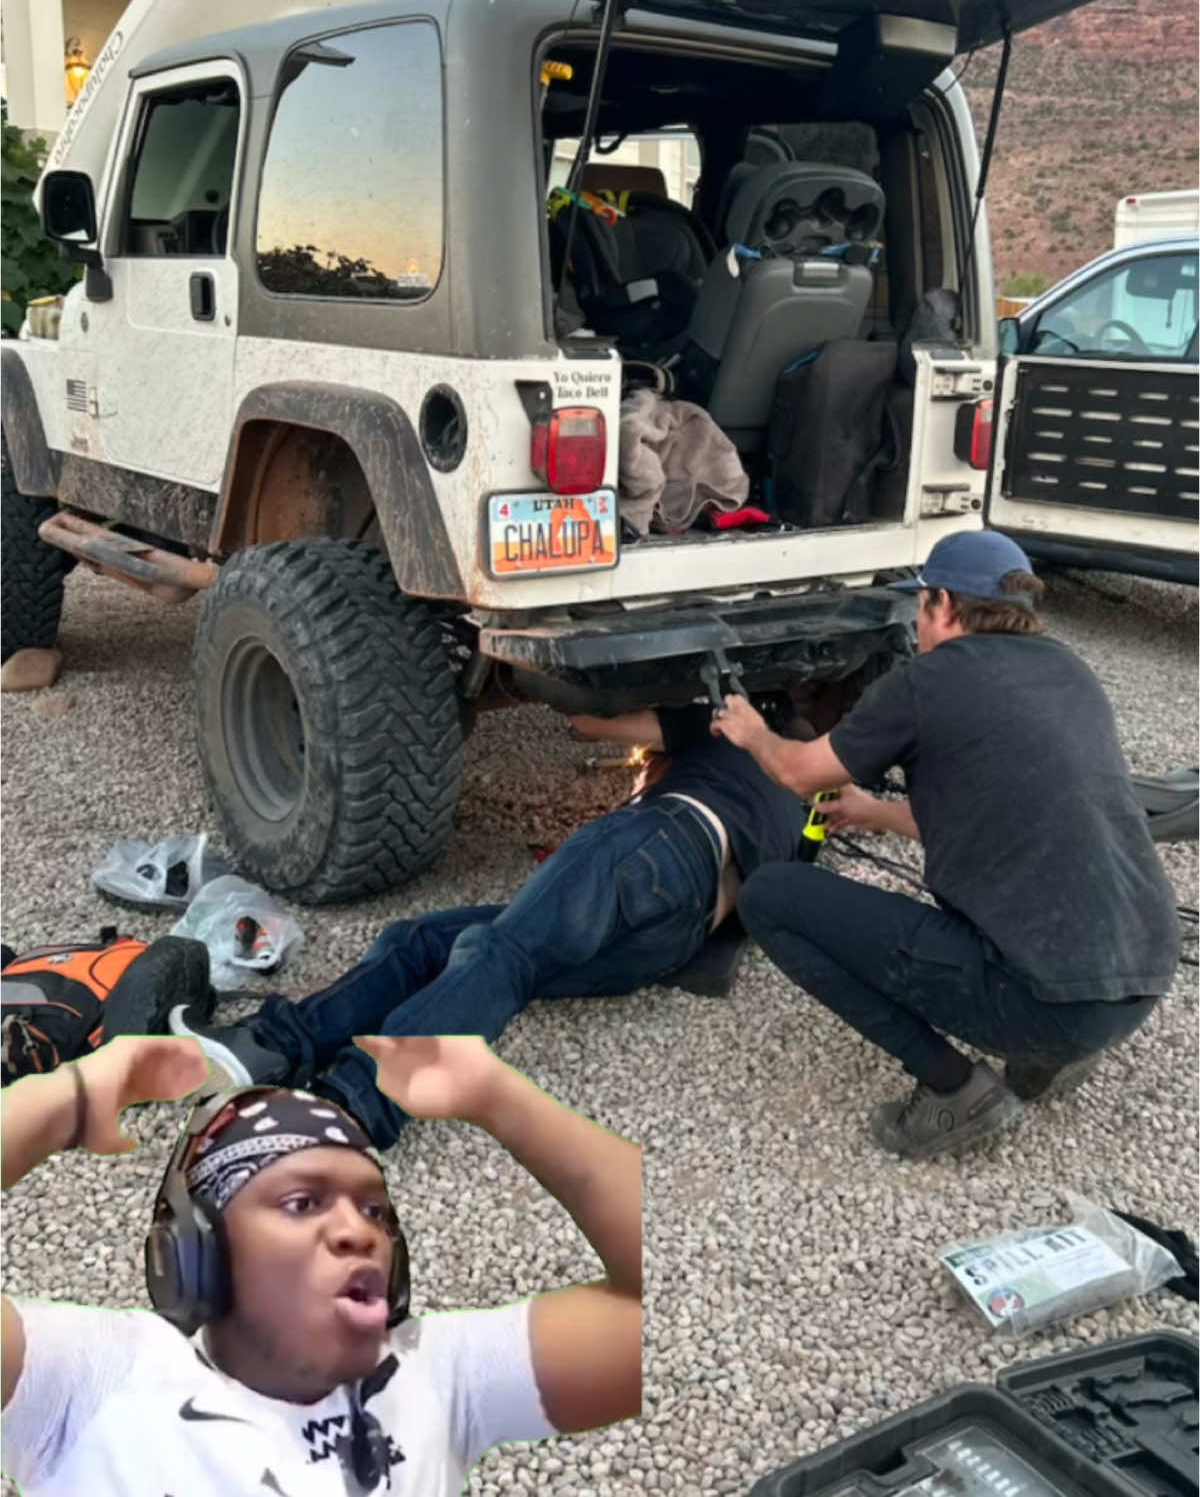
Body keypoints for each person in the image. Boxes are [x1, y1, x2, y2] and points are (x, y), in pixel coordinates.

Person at [1, 1031, 641, 1495]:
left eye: (373, 1211)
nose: (355, 1232)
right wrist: (73, 1095)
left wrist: (500, 1098)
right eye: (302, 1202)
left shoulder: (440, 1375)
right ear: (195, 1253)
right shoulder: (86, 1383)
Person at [711, 530, 1180, 1162]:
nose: (917, 621)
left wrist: (752, 732)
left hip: (1050, 1001)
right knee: (1038, 927)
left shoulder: (925, 683)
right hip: (1141, 981)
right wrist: (877, 812)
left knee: (770, 896)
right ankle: (1045, 1057)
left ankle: (957, 1090)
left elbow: (799, 772)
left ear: (944, 603)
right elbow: (1006, 818)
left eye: (921, 604)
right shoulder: (1070, 671)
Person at [169, 704, 815, 1149]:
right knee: (424, 943)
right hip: (681, 937)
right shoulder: (802, 798)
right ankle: (277, 1047)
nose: (643, 766)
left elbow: (589, 721)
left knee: (498, 953)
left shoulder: (724, 724)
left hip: (662, 844)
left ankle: (354, 1106)